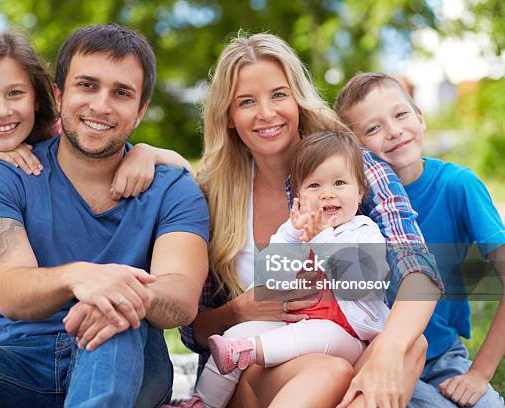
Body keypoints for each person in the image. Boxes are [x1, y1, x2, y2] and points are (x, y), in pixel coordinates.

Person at [0, 23, 209, 407]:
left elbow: (180, 295)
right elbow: (10, 289)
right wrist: (80, 276)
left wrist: (118, 296)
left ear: (141, 110)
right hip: (18, 374)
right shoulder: (0, 175)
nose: (101, 105)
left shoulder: (171, 187)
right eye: (87, 85)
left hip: (124, 365)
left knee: (113, 317)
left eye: (122, 93)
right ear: (59, 95)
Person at [180, 32, 442, 408]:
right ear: (229, 116)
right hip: (257, 367)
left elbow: (416, 266)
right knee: (327, 370)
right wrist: (240, 310)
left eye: (279, 94)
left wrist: (388, 348)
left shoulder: (352, 168)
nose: (266, 113)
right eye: (247, 102)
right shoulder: (211, 193)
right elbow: (193, 330)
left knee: (408, 344)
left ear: (298, 99)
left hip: (348, 353)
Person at [178, 131, 391, 408]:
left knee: (319, 332)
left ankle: (251, 351)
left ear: (360, 191)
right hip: (296, 325)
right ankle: (202, 402)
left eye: (340, 183)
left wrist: (322, 240)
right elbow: (269, 279)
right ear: (299, 195)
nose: (327, 193)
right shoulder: (298, 232)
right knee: (234, 335)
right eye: (314, 186)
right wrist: (291, 235)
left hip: (349, 337)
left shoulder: (364, 233)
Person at [334, 71, 505, 407]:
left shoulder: (458, 186)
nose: (394, 130)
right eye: (373, 128)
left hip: (443, 358)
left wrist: (479, 374)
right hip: (373, 358)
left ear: (420, 118)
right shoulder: (351, 203)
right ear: (355, 147)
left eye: (401, 115)